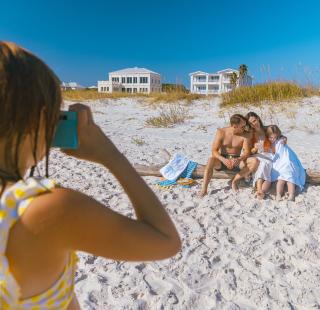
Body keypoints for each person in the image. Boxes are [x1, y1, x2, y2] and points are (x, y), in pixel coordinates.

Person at [0, 42, 181, 309]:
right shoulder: (44, 210)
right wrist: (110, 154)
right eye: (54, 115)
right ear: (35, 120)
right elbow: (165, 241)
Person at [199, 114, 252, 196]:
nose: (244, 128)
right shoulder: (221, 132)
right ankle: (204, 189)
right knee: (210, 160)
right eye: (242, 126)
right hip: (222, 159)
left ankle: (235, 180)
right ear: (234, 126)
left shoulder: (245, 135)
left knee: (250, 162)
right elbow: (214, 151)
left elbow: (247, 152)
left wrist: (239, 159)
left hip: (236, 160)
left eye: (244, 125)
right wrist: (223, 159)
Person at [266, 125, 306, 201]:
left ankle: (292, 195)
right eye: (271, 138)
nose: (273, 139)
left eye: (274, 137)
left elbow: (284, 148)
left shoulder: (280, 140)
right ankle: (278, 195)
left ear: (277, 136)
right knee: (280, 180)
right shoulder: (269, 143)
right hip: (279, 164)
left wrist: (283, 139)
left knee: (290, 179)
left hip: (287, 162)